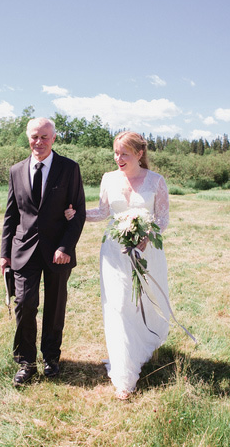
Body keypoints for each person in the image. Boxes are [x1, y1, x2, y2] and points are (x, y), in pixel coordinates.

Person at [65, 131, 170, 400]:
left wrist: (147, 234)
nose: (118, 158)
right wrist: (76, 214)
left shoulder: (157, 181)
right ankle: (125, 375)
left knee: (141, 303)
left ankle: (141, 347)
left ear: (139, 153)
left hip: (145, 252)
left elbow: (162, 218)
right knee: (118, 305)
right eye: (115, 152)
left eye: (124, 153)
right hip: (113, 251)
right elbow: (103, 212)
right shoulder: (108, 179)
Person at [1, 117, 86, 386]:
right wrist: (5, 254)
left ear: (54, 138)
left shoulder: (69, 168)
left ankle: (51, 357)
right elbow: (11, 214)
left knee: (55, 306)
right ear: (28, 137)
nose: (39, 142)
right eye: (34, 136)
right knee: (25, 304)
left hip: (57, 252)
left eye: (45, 137)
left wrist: (65, 247)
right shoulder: (16, 170)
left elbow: (79, 212)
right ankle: (26, 362)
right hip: (23, 250)